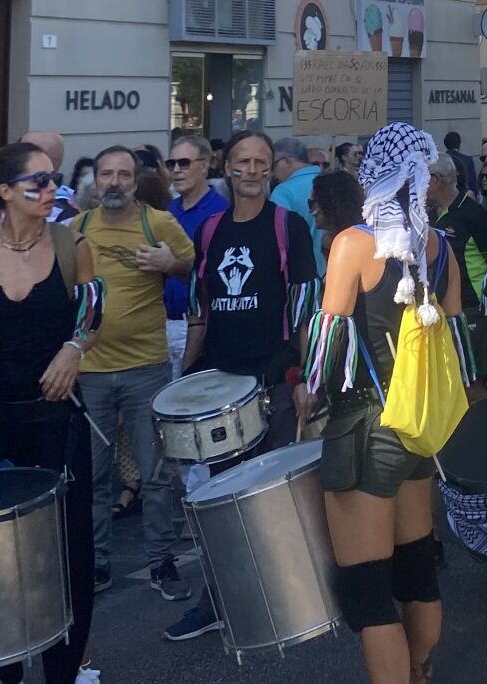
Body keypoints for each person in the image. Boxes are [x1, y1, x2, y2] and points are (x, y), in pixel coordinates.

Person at [302, 127, 476, 684]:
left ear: (370, 173)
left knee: (368, 591)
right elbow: (459, 340)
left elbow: (328, 341)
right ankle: (421, 673)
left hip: (363, 425)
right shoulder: (440, 245)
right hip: (419, 425)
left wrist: (308, 394)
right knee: (418, 570)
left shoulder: (354, 242)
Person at [0, 142, 102, 684]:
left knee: (68, 551)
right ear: (5, 191)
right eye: (37, 182)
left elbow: (92, 315)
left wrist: (73, 350)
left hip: (57, 419)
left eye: (54, 179)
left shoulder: (72, 243)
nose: (50, 188)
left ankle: (64, 669)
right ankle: (3, 666)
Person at [166, 131, 317, 643]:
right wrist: (183, 379)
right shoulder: (209, 231)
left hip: (270, 383)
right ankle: (218, 601)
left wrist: (302, 376)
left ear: (272, 169)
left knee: (267, 496)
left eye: (260, 162)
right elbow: (199, 309)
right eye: (241, 162)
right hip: (217, 389)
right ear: (224, 167)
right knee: (214, 498)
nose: (251, 170)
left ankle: (284, 595)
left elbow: (304, 308)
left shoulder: (287, 226)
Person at [75, 144, 195, 598]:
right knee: (92, 475)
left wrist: (171, 264)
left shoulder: (158, 222)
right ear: (95, 180)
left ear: (136, 179)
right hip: (89, 371)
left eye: (123, 175)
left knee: (156, 472)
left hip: (145, 367)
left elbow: (193, 268)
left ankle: (162, 563)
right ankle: (96, 562)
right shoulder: (77, 229)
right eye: (106, 174)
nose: (114, 183)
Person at [426, 156, 487, 399]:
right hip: (440, 310)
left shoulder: (472, 213)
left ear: (435, 180)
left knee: (472, 381)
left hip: (471, 309)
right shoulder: (429, 213)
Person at [163, 135, 225, 377]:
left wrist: (174, 265)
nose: (177, 170)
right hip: (165, 324)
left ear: (205, 165)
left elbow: (214, 274)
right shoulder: (169, 211)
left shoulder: (220, 212)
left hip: (201, 325)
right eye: (171, 164)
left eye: (184, 163)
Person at [269, 137, 324, 266]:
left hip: (301, 272)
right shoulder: (333, 181)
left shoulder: (283, 191)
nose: (272, 173)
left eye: (273, 165)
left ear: (287, 161)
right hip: (336, 271)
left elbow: (277, 237)